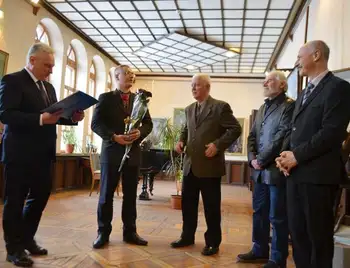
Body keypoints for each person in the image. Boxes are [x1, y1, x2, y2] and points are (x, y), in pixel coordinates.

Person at [0, 42, 85, 267]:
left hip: (43, 153)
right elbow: (6, 115)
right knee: (15, 201)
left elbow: (54, 115)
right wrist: (39, 119)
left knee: (40, 197)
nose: (51, 70)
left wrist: (72, 118)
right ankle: (13, 248)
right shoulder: (12, 80)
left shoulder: (49, 88)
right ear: (33, 61)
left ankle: (27, 238)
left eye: (53, 66)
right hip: (19, 154)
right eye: (47, 65)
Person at [276, 40, 350, 268]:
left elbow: (332, 133)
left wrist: (296, 156)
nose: (297, 62)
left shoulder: (339, 88)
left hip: (319, 177)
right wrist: (284, 157)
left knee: (318, 240)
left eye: (300, 56)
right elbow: (294, 129)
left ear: (316, 55)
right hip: (295, 175)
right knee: (298, 237)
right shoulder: (303, 92)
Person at [170, 73, 242, 256]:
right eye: (192, 85)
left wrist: (218, 145)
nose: (193, 88)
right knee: (188, 205)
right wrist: (180, 140)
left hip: (210, 167)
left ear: (207, 87)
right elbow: (187, 129)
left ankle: (212, 242)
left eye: (197, 85)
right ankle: (187, 237)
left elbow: (235, 128)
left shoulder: (220, 107)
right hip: (190, 166)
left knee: (211, 207)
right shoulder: (188, 109)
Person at [91, 65, 153, 249]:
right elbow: (95, 124)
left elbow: (148, 124)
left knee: (130, 196)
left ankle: (130, 232)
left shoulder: (139, 100)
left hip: (132, 153)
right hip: (111, 152)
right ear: (117, 76)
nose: (132, 76)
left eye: (133, 74)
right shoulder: (105, 98)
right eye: (127, 73)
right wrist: (113, 137)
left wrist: (139, 133)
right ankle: (103, 232)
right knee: (106, 195)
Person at [237, 71, 295, 268]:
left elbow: (282, 136)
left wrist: (261, 159)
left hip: (276, 170)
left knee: (277, 216)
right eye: (265, 80)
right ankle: (259, 249)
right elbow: (251, 136)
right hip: (259, 171)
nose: (265, 83)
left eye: (270, 80)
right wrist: (252, 158)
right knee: (258, 212)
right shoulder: (262, 108)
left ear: (282, 85)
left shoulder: (289, 106)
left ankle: (278, 259)